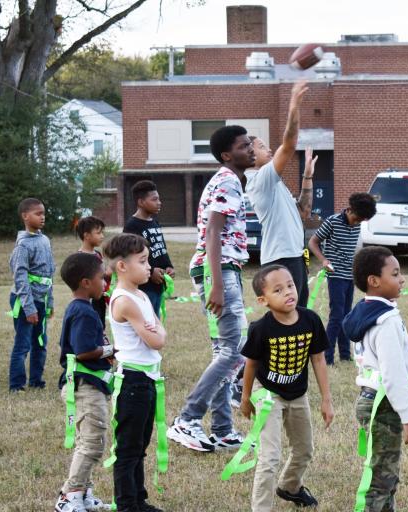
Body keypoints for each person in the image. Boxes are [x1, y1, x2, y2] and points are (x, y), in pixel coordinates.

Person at [167, 125, 255, 453]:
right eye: (244, 146)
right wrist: (216, 282)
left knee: (224, 351)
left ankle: (222, 430)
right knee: (234, 350)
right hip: (218, 271)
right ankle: (187, 419)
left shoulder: (228, 180)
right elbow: (213, 233)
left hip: (220, 269)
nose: (251, 149)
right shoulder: (228, 180)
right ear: (227, 155)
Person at [241, 265, 334, 511]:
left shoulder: (310, 320)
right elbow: (251, 365)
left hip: (298, 391)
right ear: (263, 300)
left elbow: (318, 359)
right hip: (267, 392)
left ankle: (290, 487)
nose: (288, 292)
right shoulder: (261, 329)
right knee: (270, 457)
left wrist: (326, 399)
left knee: (304, 449)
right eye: (278, 290)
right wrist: (245, 396)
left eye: (290, 285)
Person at [342, 246, 408, 512]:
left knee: (385, 472)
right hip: (383, 405)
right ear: (374, 281)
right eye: (395, 273)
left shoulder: (365, 313)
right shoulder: (385, 321)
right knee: (381, 478)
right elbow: (393, 374)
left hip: (369, 398)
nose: (402, 279)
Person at [104, 233, 167, 512]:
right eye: (142, 261)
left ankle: (138, 499)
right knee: (128, 448)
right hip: (133, 381)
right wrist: (155, 330)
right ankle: (127, 504)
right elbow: (156, 339)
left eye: (148, 260)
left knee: (141, 443)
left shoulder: (141, 295)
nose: (149, 267)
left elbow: (160, 330)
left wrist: (156, 330)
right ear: (122, 267)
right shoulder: (124, 300)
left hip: (148, 380)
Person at [246, 80, 317, 307]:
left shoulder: (275, 183)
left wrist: (307, 176)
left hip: (295, 254)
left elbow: (303, 212)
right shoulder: (259, 179)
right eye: (261, 146)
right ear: (249, 156)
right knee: (289, 316)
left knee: (301, 313)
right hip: (280, 258)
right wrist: (294, 106)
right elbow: (288, 145)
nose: (268, 149)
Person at [55, 252, 113, 512]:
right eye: (102, 278)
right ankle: (69, 495)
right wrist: (113, 350)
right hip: (86, 387)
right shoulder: (84, 312)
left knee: (88, 441)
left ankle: (84, 493)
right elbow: (83, 351)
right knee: (92, 442)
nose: (105, 283)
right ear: (85, 282)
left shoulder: (80, 307)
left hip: (84, 384)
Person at [308, 193, 377, 364]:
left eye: (361, 221)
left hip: (349, 276)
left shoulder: (358, 223)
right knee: (337, 316)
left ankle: (345, 355)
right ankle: (327, 357)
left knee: (346, 316)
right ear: (350, 209)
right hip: (335, 275)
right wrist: (323, 259)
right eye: (357, 219)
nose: (357, 223)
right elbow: (313, 242)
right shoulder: (332, 221)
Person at [8, 197, 55, 392]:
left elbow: (49, 272)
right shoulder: (23, 245)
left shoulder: (44, 239)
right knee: (23, 344)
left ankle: (36, 381)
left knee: (40, 342)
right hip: (26, 300)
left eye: (43, 213)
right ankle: (16, 384)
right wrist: (29, 307)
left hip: (41, 300)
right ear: (25, 216)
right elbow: (20, 277)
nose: (42, 217)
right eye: (38, 214)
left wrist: (49, 301)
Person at [123, 180, 175, 317]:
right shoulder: (132, 226)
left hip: (158, 285)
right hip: (144, 286)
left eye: (159, 199)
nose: (159, 202)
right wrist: (151, 271)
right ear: (140, 202)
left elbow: (161, 248)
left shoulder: (155, 222)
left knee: (155, 320)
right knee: (147, 323)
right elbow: (130, 257)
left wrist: (168, 266)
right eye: (154, 199)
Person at [77, 215, 110, 327]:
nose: (102, 236)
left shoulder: (97, 254)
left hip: (99, 298)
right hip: (88, 300)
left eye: (102, 232)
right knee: (91, 324)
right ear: (86, 235)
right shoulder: (79, 257)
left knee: (100, 324)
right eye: (98, 233)